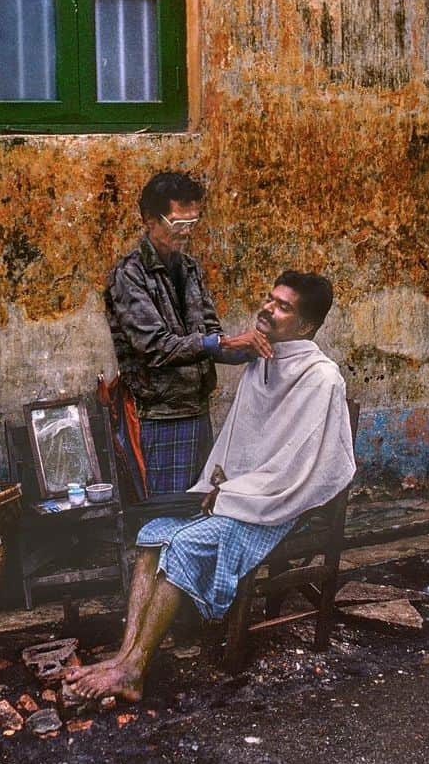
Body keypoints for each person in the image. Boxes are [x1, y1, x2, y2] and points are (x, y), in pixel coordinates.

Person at [67, 270, 356, 701]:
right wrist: (220, 482)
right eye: (269, 298)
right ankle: (124, 655)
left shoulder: (322, 378)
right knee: (152, 536)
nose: (268, 309)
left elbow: (301, 468)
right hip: (242, 495)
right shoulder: (262, 361)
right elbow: (240, 443)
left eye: (283, 306)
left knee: (182, 546)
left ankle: (136, 669)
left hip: (278, 507)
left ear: (306, 326)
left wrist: (239, 493)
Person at [104, 171, 272, 495]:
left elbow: (211, 335)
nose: (185, 234)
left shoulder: (190, 269)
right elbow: (154, 347)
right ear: (149, 220)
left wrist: (253, 346)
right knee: (166, 514)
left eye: (191, 225)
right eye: (177, 225)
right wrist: (220, 342)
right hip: (161, 415)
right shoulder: (128, 276)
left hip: (197, 409)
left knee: (200, 505)